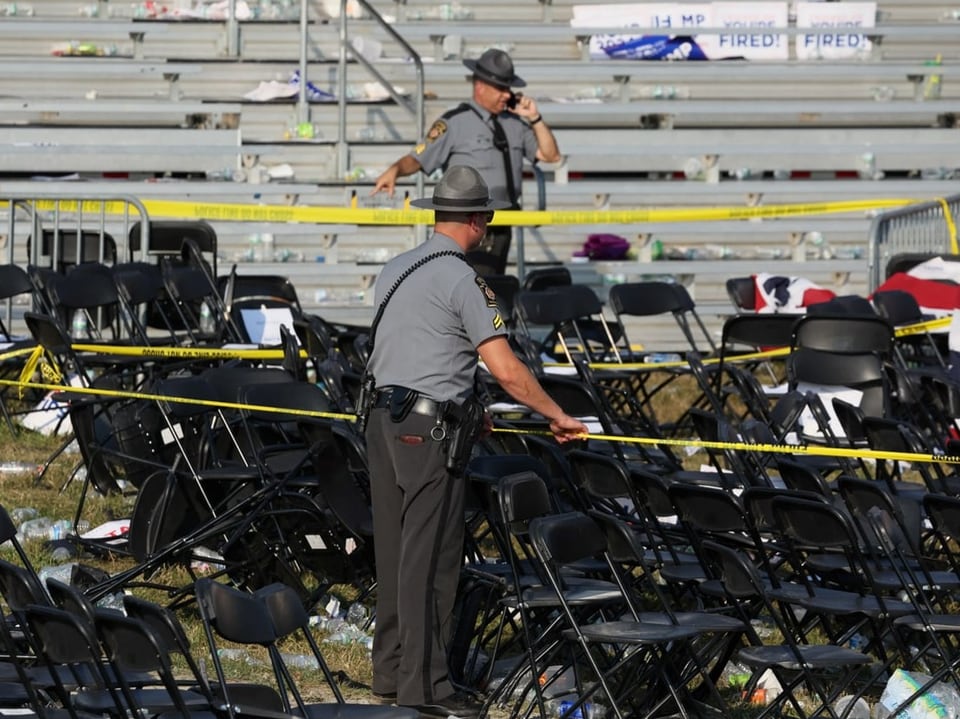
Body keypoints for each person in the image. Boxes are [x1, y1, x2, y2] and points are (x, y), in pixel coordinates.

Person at [363, 165, 587, 718]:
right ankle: (427, 688)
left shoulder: (395, 268)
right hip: (427, 430)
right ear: (480, 221)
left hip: (380, 419)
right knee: (431, 556)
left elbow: (419, 349)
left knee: (393, 552)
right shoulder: (465, 279)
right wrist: (557, 413)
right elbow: (506, 369)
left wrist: (468, 407)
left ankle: (391, 672)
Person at [371, 48, 561, 274]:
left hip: (502, 221)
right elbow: (419, 157)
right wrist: (396, 170)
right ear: (480, 86)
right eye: (501, 88)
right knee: (471, 289)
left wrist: (535, 118)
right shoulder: (455, 122)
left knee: (492, 289)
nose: (507, 94)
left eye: (508, 88)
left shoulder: (515, 123)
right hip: (467, 222)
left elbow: (551, 156)